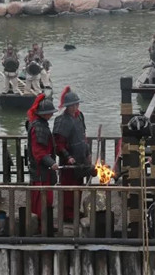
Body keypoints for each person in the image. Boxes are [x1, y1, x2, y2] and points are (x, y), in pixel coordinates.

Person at [53, 86, 94, 221]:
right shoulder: (61, 121)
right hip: (69, 161)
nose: (75, 107)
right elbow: (58, 144)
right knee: (69, 189)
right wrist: (68, 157)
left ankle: (76, 210)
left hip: (81, 158)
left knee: (78, 186)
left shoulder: (80, 117)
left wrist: (88, 153)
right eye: (72, 105)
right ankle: (67, 214)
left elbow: (83, 137)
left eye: (76, 104)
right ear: (67, 106)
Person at [26, 93, 59, 222]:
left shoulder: (41, 124)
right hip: (40, 171)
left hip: (44, 170)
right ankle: (40, 225)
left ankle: (44, 224)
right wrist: (51, 163)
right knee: (42, 199)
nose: (51, 115)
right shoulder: (38, 127)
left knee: (46, 198)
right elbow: (38, 152)